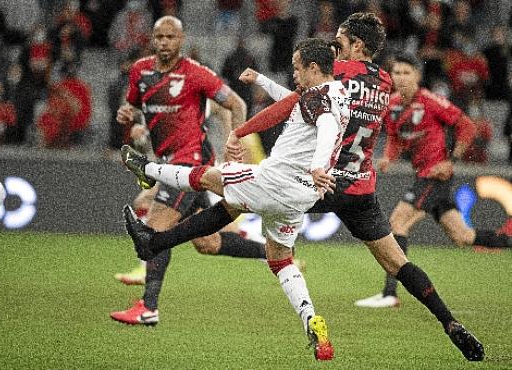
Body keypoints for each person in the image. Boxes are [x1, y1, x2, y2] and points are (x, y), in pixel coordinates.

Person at [120, 13, 485, 362]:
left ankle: (153, 221)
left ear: (355, 45)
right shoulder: (384, 83)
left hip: (317, 182)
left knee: (227, 196)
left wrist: (243, 130)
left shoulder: (337, 72)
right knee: (398, 263)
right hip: (360, 188)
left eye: (339, 42)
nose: (333, 48)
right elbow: (317, 105)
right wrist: (263, 82)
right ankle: (449, 322)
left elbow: (296, 104)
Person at [121, 37, 349, 360]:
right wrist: (261, 81)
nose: (294, 74)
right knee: (278, 256)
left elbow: (324, 125)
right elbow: (294, 105)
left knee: (209, 176)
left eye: (298, 69)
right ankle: (311, 319)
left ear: (314, 68)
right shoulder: (337, 94)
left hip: (276, 180)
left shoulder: (318, 101)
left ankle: (147, 169)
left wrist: (317, 164)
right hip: (300, 196)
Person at [110, 15, 268, 325]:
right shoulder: (140, 72)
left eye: (171, 37)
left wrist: (235, 143)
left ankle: (148, 308)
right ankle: (271, 252)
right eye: (159, 37)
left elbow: (236, 104)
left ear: (181, 41)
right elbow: (133, 107)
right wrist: (127, 113)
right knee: (206, 242)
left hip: (191, 161)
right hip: (168, 162)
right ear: (152, 40)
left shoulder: (196, 74)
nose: (164, 42)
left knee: (155, 229)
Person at [354, 53, 512, 309]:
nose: (401, 77)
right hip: (423, 175)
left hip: (435, 176)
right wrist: (388, 158)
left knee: (397, 223)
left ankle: (390, 293)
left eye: (407, 72)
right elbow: (395, 137)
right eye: (397, 73)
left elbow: (466, 125)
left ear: (417, 75)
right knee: (462, 236)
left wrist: (451, 160)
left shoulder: (430, 101)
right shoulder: (392, 105)